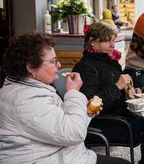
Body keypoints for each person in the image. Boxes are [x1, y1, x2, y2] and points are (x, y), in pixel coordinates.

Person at [0, 32, 129, 164]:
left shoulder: (29, 90)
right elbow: (74, 133)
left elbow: (63, 125)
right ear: (31, 67)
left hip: (66, 156)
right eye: (53, 61)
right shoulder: (25, 101)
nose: (59, 65)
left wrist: (87, 112)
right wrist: (73, 92)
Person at [73, 22, 144, 164]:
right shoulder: (85, 67)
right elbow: (90, 105)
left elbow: (115, 91)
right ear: (92, 42)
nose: (113, 44)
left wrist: (132, 92)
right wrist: (117, 86)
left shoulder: (110, 62)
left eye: (113, 40)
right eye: (108, 40)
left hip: (119, 117)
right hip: (104, 124)